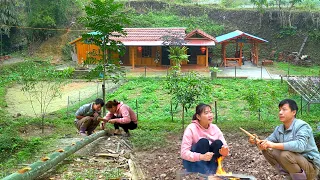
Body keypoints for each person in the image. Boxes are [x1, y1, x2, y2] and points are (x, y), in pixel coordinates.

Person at [248, 99, 320, 180]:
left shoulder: (302, 126)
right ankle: (290, 175)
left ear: (293, 112)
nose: (280, 112)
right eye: (279, 110)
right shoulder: (279, 129)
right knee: (267, 149)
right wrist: (257, 141)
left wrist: (273, 145)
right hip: (294, 163)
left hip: (311, 168)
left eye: (284, 109)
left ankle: (300, 178)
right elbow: (267, 141)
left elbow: (300, 146)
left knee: (285, 155)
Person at [180, 103, 229, 175]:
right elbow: (184, 153)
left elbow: (225, 146)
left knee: (218, 143)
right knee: (203, 142)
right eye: (206, 113)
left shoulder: (214, 128)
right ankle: (203, 172)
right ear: (198, 116)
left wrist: (225, 152)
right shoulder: (191, 128)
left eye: (210, 112)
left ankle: (212, 172)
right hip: (193, 164)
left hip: (210, 163)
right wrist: (201, 157)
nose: (210, 115)